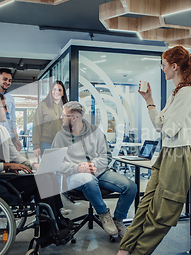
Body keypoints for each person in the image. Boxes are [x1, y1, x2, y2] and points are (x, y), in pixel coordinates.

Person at [88, 45, 191, 255]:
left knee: (160, 215)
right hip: (168, 154)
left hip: (180, 156)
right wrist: (149, 100)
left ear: (174, 66)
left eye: (163, 64)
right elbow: (159, 125)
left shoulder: (187, 93)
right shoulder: (178, 92)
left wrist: (164, 121)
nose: (162, 68)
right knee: (144, 209)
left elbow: (169, 128)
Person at [0, 92, 68, 242]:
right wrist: (6, 165)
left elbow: (15, 157)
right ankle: (47, 228)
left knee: (48, 175)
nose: (7, 111)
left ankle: (57, 218)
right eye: (5, 107)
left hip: (5, 178)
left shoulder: (2, 130)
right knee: (43, 181)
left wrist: (34, 165)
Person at [52, 101, 137, 237]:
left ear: (74, 118)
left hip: (99, 172)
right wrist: (78, 167)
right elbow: (56, 164)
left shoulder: (96, 132)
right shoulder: (60, 137)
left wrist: (91, 165)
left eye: (63, 115)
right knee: (88, 180)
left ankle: (119, 220)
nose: (61, 118)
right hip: (75, 176)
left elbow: (107, 156)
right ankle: (103, 213)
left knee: (131, 187)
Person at [32, 81, 68, 158]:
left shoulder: (67, 107)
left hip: (62, 143)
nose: (56, 92)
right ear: (51, 91)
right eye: (54, 89)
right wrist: (36, 146)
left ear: (63, 93)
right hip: (46, 143)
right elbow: (36, 126)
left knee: (61, 168)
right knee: (49, 168)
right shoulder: (43, 105)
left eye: (59, 90)